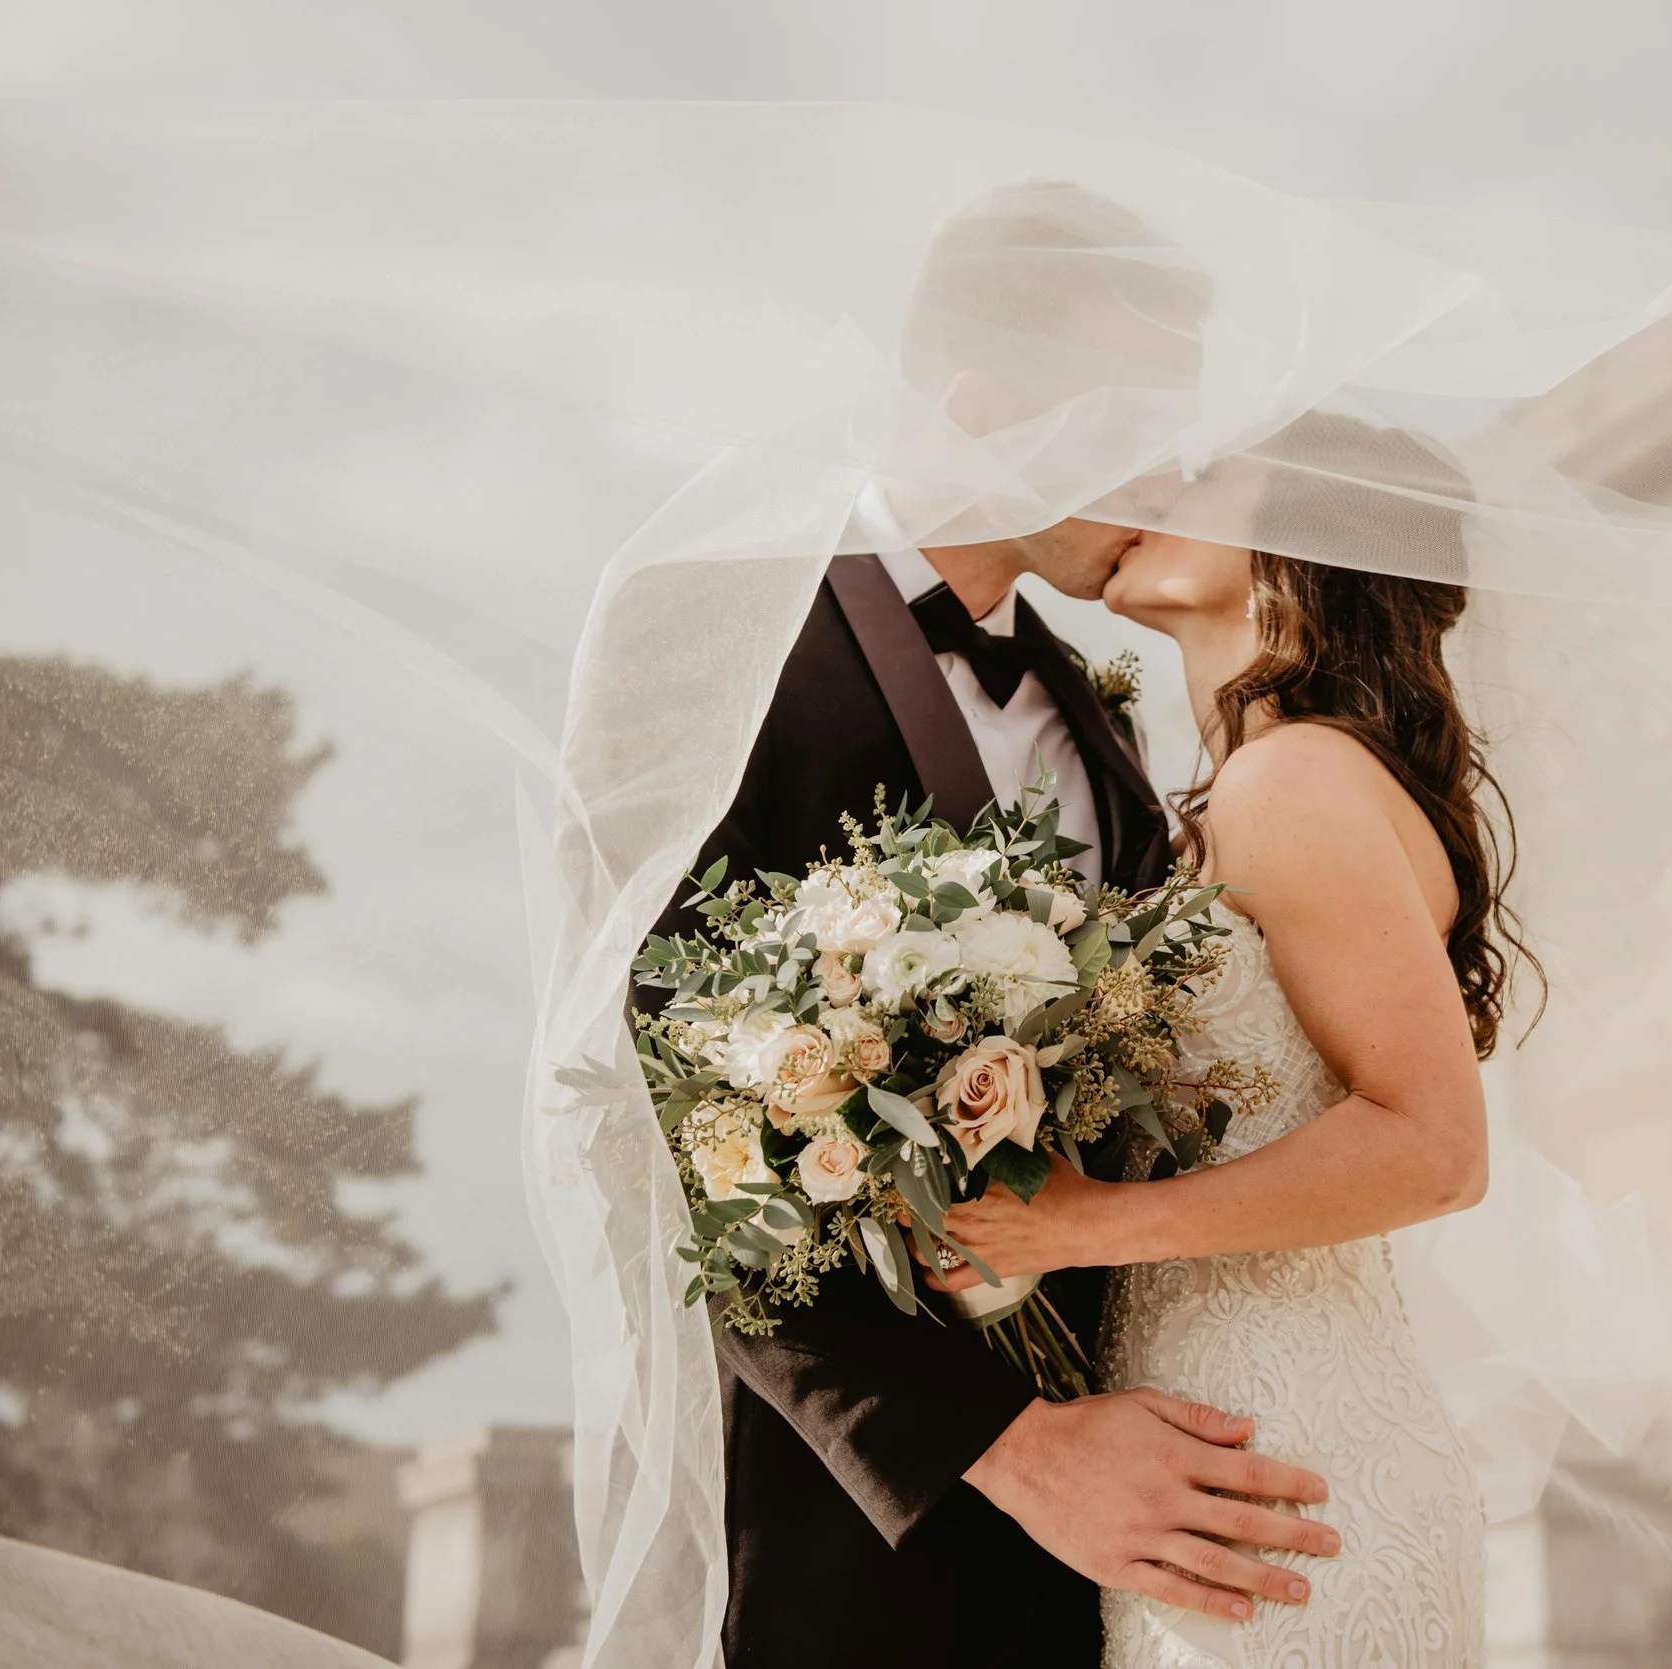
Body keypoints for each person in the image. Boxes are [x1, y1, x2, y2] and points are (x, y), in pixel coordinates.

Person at [655, 183, 1340, 1669]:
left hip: (1151, 1519)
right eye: (1137, 427)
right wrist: (1012, 1449)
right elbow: (664, 1121)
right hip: (869, 1536)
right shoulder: (708, 636)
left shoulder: (1101, 727)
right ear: (978, 406)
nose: (1169, 476)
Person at [929, 428, 1524, 1666]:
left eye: (1197, 476)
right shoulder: (1246, 788)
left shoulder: (1293, 785)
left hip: (1287, 1464)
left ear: (1304, 547)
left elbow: (1434, 1147)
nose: (1142, 483)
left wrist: (1081, 1225)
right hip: (1220, 1447)